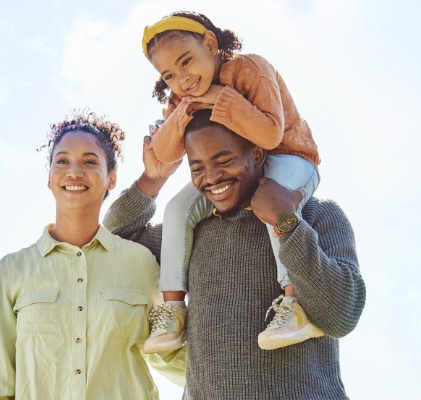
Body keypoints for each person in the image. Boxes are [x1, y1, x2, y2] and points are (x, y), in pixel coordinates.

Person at [103, 109, 366, 399]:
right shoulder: (191, 232)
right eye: (197, 167)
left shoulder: (316, 215)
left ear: (256, 154)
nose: (212, 178)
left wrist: (285, 223)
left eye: (223, 160)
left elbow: (342, 316)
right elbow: (114, 239)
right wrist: (153, 178)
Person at [140, 10, 322, 352]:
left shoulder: (251, 69)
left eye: (186, 61)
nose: (182, 78)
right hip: (234, 172)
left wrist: (219, 99)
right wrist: (184, 109)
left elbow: (269, 135)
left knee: (271, 201)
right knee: (178, 207)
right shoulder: (183, 97)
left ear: (210, 43)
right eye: (169, 75)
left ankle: (295, 303)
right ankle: (174, 309)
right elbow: (166, 153)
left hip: (289, 156)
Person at [0, 110, 186, 400]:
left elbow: (170, 354)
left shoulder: (140, 262)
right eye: (62, 161)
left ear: (111, 179)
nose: (74, 172)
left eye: (89, 161)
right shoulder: (11, 271)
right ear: (49, 178)